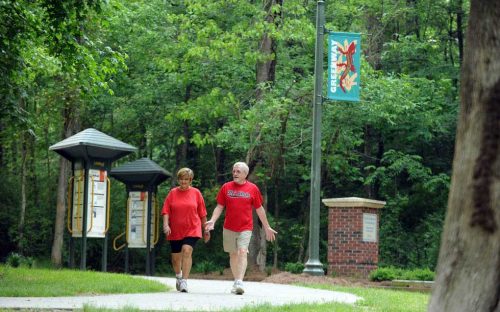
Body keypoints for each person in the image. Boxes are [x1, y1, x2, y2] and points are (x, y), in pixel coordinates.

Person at [205, 161, 277, 295]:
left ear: (245, 174)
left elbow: (259, 209)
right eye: (233, 171)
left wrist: (267, 227)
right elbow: (220, 206)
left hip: (245, 227)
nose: (235, 173)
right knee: (232, 254)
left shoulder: (253, 189)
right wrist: (213, 220)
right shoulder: (226, 187)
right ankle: (236, 279)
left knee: (242, 251)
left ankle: (239, 282)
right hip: (229, 227)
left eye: (238, 171)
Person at [162, 167, 209, 293]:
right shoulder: (172, 193)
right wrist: (166, 225)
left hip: (192, 227)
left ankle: (184, 281)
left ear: (190, 180)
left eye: (186, 179)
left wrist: (206, 230)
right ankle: (178, 276)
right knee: (176, 258)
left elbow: (202, 213)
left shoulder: (196, 193)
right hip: (175, 230)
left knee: (187, 250)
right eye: (181, 179)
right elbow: (166, 210)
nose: (183, 182)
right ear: (178, 180)